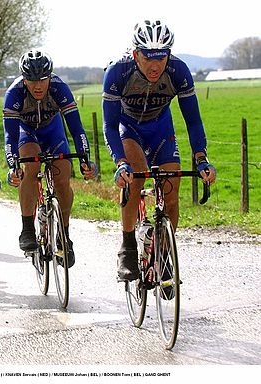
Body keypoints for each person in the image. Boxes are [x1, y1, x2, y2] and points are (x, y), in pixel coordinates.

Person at [103, 20, 217, 281]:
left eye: (161, 57)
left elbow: (194, 121)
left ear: (169, 54)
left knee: (172, 188)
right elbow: (109, 126)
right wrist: (120, 161)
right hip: (128, 129)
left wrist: (201, 157)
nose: (155, 65)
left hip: (161, 130)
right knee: (137, 176)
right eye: (148, 57)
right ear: (135, 54)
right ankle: (128, 247)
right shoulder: (117, 72)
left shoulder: (179, 71)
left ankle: (164, 255)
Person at [3, 49, 96, 268]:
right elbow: (10, 136)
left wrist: (85, 159)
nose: (38, 85)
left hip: (52, 131)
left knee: (63, 176)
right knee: (30, 163)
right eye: (32, 80)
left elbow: (76, 128)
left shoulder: (59, 88)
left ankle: (64, 235)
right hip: (27, 133)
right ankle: (27, 228)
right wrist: (12, 166)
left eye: (43, 79)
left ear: (50, 77)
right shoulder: (14, 94)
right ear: (24, 79)